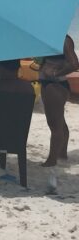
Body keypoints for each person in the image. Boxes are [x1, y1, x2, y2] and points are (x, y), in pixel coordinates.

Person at [38, 36, 79, 166]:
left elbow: (74, 64)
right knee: (59, 121)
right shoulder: (51, 38)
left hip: (55, 85)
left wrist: (56, 73)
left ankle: (52, 159)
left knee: (54, 125)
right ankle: (62, 154)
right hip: (50, 84)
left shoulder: (64, 39)